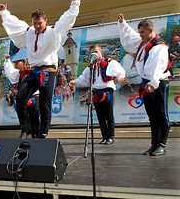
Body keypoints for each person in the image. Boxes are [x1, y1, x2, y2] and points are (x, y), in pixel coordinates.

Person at [0, 0, 81, 139]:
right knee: (20, 97)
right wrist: (4, 12)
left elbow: (66, 19)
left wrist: (74, 3)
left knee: (44, 103)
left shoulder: (53, 32)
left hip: (48, 71)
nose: (37, 26)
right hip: (34, 71)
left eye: (40, 23)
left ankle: (43, 132)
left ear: (45, 21)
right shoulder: (29, 32)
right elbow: (15, 24)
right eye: (35, 23)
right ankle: (25, 128)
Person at [118, 14, 171, 156]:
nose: (140, 35)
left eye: (142, 32)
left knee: (161, 114)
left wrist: (153, 83)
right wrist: (123, 23)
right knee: (152, 115)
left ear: (150, 30)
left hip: (158, 82)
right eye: (139, 32)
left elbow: (158, 65)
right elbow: (130, 36)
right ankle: (154, 144)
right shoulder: (143, 42)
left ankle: (161, 145)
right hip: (146, 82)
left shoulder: (159, 46)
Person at [69, 45, 126, 145]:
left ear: (101, 52)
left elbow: (120, 72)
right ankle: (104, 136)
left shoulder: (110, 63)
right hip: (96, 92)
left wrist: (120, 77)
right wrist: (74, 82)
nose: (94, 54)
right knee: (100, 116)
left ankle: (111, 136)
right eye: (91, 53)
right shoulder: (90, 67)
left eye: (96, 52)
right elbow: (84, 80)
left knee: (109, 115)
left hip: (107, 91)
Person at [4, 54, 40, 138]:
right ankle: (25, 130)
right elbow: (11, 73)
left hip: (36, 96)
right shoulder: (21, 73)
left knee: (34, 115)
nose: (28, 65)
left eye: (30, 63)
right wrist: (7, 61)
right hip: (25, 98)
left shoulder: (37, 72)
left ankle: (37, 136)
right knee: (24, 113)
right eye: (27, 63)